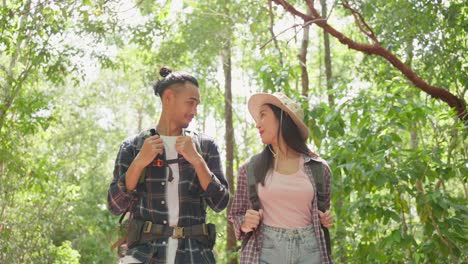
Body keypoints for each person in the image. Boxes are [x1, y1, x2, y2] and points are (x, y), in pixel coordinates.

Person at [108, 66, 230, 264]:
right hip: (144, 256)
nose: (194, 111)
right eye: (190, 103)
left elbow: (220, 203)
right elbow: (114, 205)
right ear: (168, 97)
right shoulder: (132, 146)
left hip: (195, 255)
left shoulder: (205, 147)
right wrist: (139, 162)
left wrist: (198, 161)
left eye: (197, 105)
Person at [228, 92, 333, 264]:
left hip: (310, 250)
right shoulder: (250, 169)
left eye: (263, 115)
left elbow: (322, 210)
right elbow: (237, 215)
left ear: (283, 116)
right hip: (265, 250)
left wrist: (324, 218)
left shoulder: (319, 169)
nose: (257, 124)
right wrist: (245, 223)